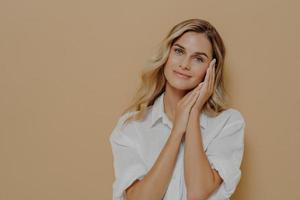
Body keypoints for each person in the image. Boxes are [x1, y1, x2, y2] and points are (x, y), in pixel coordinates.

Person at [109, 18, 246, 200]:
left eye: (198, 58)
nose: (184, 64)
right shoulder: (132, 126)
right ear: (167, 55)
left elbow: (197, 193)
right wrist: (177, 131)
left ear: (211, 69)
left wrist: (193, 113)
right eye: (179, 51)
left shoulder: (228, 123)